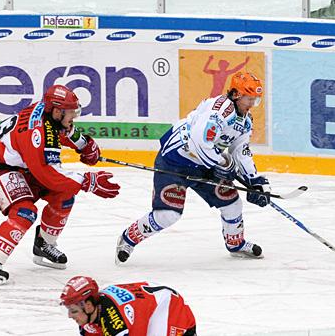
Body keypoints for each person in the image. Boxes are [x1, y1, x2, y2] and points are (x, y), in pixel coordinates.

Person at [115, 71, 270, 264]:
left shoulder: (245, 121)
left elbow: (240, 149)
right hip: (174, 162)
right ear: (237, 94)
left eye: (256, 100)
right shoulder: (219, 111)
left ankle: (236, 244)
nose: (252, 105)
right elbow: (199, 142)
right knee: (168, 215)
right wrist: (222, 164)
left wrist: (254, 180)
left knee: (232, 204)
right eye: (250, 99)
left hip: (203, 165)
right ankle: (128, 239)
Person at [0, 85, 121, 284]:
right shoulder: (37, 134)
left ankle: (44, 244)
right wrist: (88, 181)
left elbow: (63, 131)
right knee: (24, 212)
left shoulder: (49, 114)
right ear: (57, 110)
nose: (73, 117)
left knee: (64, 196)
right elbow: (47, 174)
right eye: (70, 113)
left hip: (23, 165)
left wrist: (84, 144)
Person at [60, 275, 196, 336]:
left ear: (88, 306)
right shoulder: (89, 316)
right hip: (147, 307)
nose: (69, 316)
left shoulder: (114, 322)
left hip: (168, 308)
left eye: (73, 311)